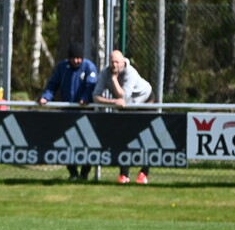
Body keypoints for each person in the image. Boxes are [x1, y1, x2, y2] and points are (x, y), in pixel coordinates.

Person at [37, 41, 98, 181]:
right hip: (67, 111)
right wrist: (45, 97)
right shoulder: (62, 67)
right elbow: (53, 84)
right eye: (74, 58)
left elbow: (91, 86)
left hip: (85, 111)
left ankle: (85, 173)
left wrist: (84, 99)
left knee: (88, 143)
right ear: (69, 58)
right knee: (67, 142)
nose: (77, 61)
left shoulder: (89, 67)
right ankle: (73, 173)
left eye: (79, 58)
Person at [93, 49, 154, 184]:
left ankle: (144, 173)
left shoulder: (130, 72)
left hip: (145, 102)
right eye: (112, 62)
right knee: (124, 138)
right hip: (125, 106)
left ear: (123, 62)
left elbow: (124, 97)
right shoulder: (105, 73)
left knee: (145, 138)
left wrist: (114, 79)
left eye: (117, 62)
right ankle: (124, 175)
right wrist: (112, 102)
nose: (114, 65)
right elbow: (96, 96)